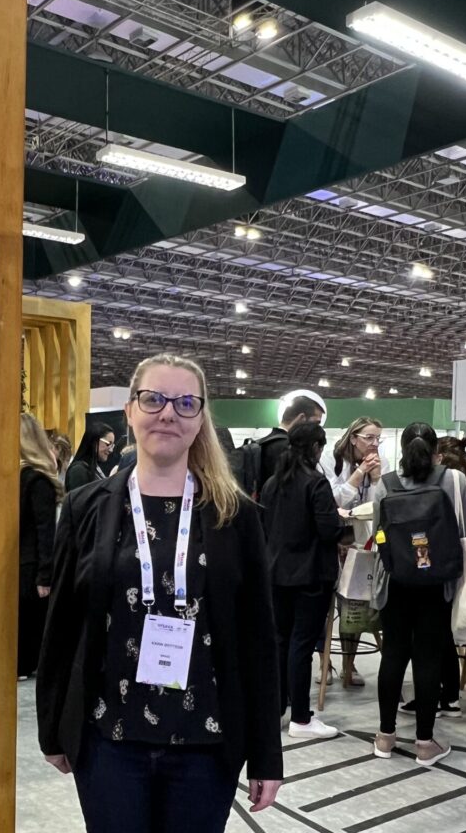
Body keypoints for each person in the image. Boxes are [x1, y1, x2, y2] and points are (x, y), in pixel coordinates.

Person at [37, 354, 282, 832]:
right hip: (108, 739)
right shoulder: (87, 507)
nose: (168, 413)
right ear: (130, 411)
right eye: (154, 400)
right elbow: (62, 625)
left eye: (185, 403)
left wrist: (266, 754)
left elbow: (259, 639)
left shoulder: (236, 516)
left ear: (200, 419)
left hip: (207, 743)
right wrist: (52, 727)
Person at [371, 423, 466, 767]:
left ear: (402, 450)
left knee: (393, 654)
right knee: (428, 657)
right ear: (437, 453)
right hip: (437, 582)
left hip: (396, 580)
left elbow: (379, 535)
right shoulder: (454, 480)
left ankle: (384, 737)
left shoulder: (385, 484)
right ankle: (425, 743)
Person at [261, 421, 344, 739]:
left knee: (281, 642)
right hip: (310, 576)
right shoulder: (316, 483)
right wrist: (342, 524)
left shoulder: (272, 483)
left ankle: (278, 709)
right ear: (316, 448)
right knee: (302, 644)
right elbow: (328, 530)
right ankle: (301, 718)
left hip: (276, 573)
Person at [400, 435, 466, 719]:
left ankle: (437, 697)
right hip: (455, 558)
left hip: (430, 560)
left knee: (430, 635)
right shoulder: (465, 478)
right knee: (443, 631)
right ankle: (448, 696)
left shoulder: (442, 477)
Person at [319, 416, 388, 686]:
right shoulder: (331, 458)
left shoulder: (380, 462)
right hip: (331, 539)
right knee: (325, 607)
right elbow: (331, 500)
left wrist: (377, 477)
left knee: (354, 604)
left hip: (361, 541)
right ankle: (325, 662)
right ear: (353, 438)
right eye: (369, 437)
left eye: (378, 438)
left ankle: (350, 664)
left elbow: (379, 506)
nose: (374, 444)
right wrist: (359, 474)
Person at [19, 413, 63, 679]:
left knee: (27, 626)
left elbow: (46, 530)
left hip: (30, 567)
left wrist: (44, 575)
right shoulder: (27, 478)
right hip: (24, 564)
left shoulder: (36, 481)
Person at [245, 395, 325, 500]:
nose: (318, 428)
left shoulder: (262, 444)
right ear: (301, 418)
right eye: (316, 423)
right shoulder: (293, 449)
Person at [65, 421, 115, 492]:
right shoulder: (78, 470)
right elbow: (79, 498)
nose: (111, 450)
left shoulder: (92, 468)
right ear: (94, 442)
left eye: (112, 445)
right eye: (108, 444)